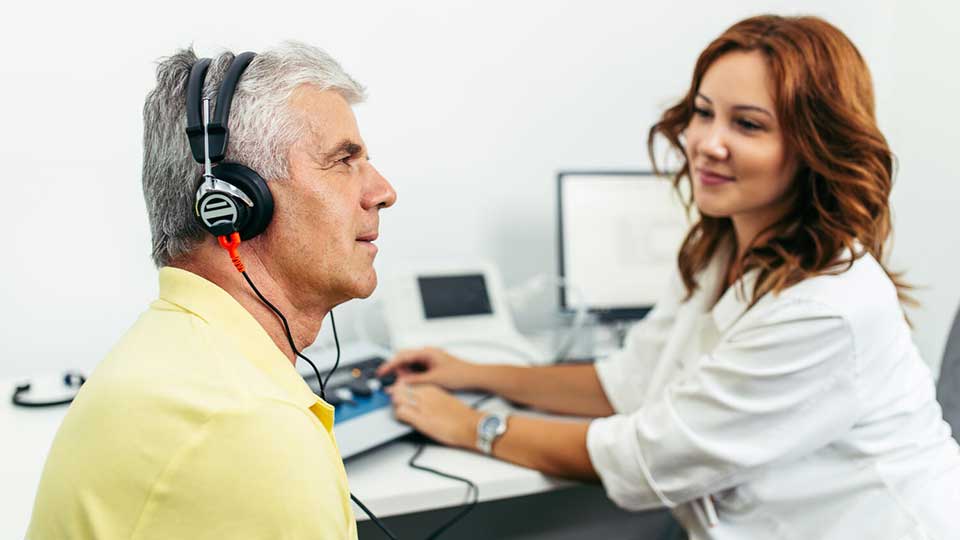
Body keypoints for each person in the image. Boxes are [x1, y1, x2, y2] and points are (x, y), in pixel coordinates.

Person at [378, 15, 960, 539]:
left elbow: (644, 459)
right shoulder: (724, 247)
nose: (707, 143)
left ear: (814, 145)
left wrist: (473, 426)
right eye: (704, 113)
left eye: (748, 125)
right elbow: (630, 380)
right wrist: (473, 372)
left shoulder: (829, 308)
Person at [28, 42, 396, 539]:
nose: (382, 191)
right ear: (235, 202)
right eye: (342, 160)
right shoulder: (248, 427)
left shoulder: (172, 353)